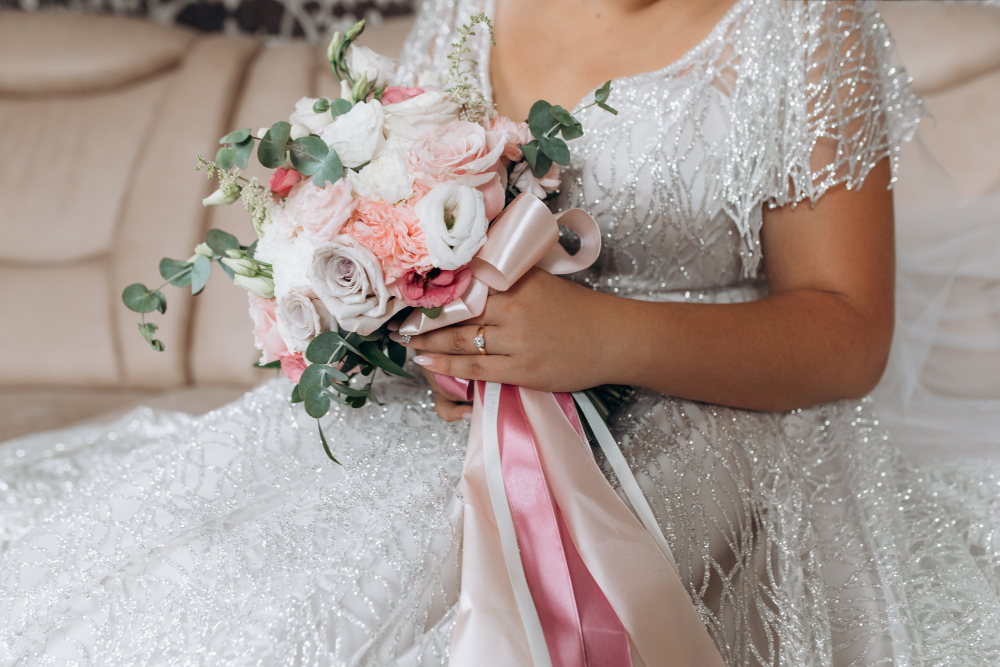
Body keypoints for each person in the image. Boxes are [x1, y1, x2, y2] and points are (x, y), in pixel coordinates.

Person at [1, 0, 997, 665]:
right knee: (209, 586)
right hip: (475, 406)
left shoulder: (803, 25)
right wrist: (420, 326)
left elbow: (848, 334)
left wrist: (602, 336)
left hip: (713, 413)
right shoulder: (471, 8)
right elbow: (419, 212)